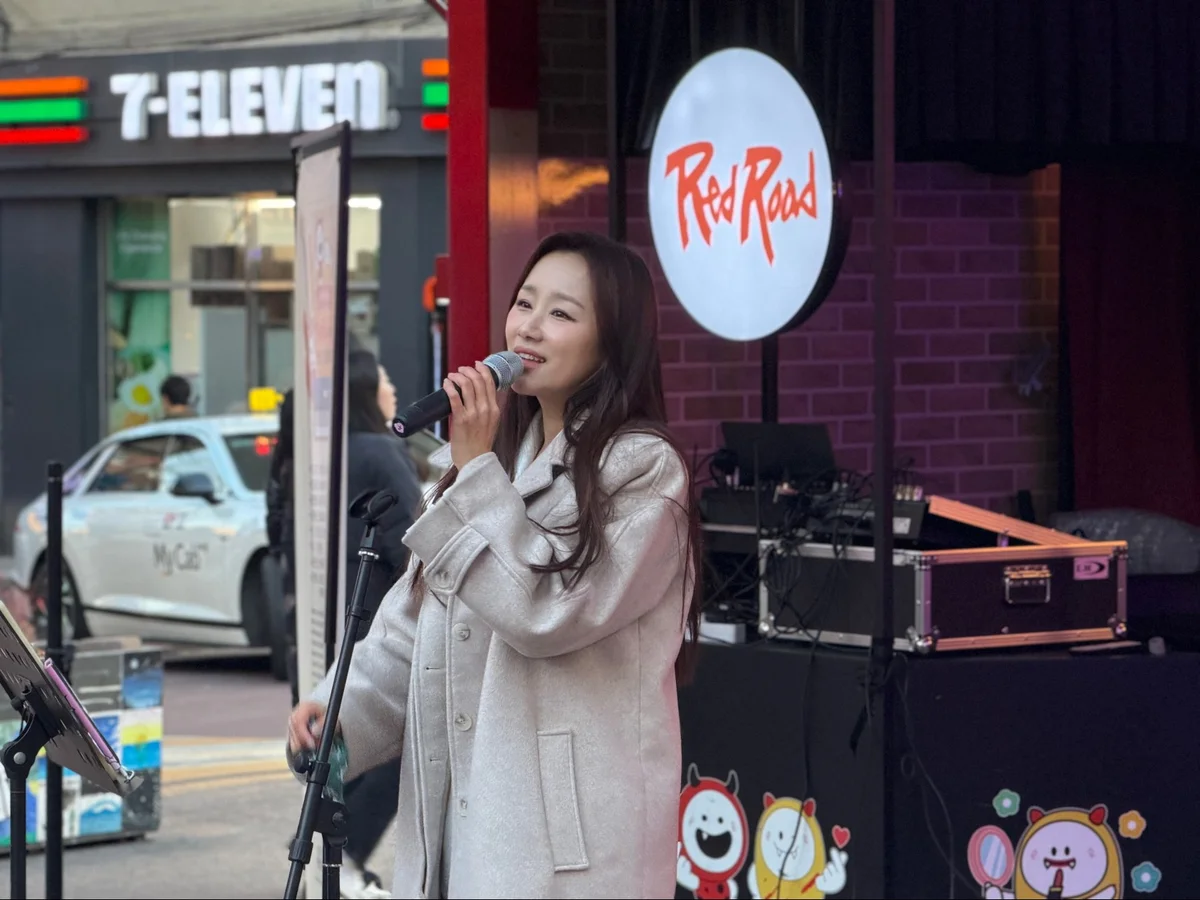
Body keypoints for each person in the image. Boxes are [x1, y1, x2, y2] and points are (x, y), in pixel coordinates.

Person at [287, 231, 703, 898]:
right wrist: (340, 709)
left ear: (613, 340)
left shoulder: (643, 468)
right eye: (524, 304)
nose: (529, 327)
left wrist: (476, 467)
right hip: (468, 827)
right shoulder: (493, 467)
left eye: (563, 314)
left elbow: (546, 612)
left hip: (574, 853)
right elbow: (411, 627)